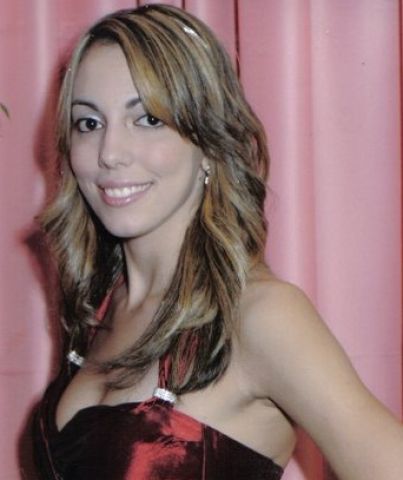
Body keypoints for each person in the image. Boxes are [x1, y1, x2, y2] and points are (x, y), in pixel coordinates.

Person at [33, 4, 403, 480]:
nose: (110, 153)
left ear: (208, 143)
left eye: (148, 119)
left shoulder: (260, 315)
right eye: (89, 123)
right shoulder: (98, 305)